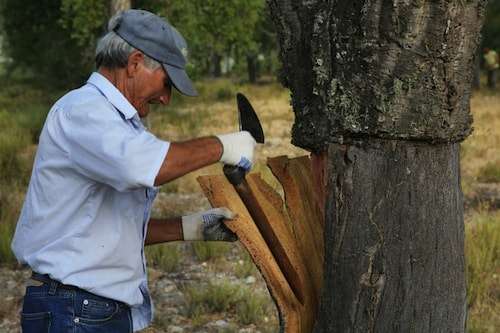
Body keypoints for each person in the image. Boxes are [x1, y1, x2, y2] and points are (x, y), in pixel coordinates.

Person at [11, 9, 256, 333]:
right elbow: (147, 165)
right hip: (73, 311)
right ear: (135, 62)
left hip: (85, 309)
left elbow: (106, 227)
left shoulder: (116, 123)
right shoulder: (84, 111)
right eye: (166, 83)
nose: (166, 99)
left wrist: (189, 228)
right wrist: (222, 146)